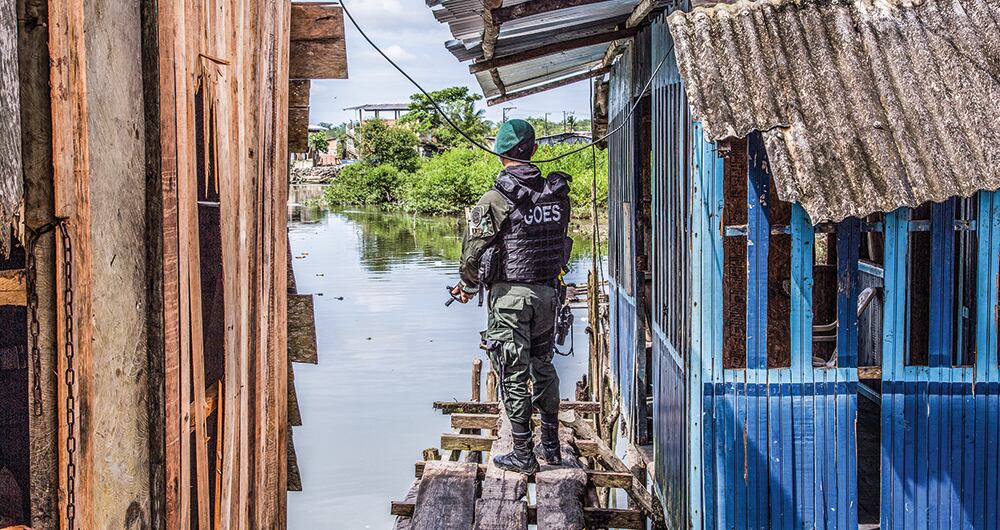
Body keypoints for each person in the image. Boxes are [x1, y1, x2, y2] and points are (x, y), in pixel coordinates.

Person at [451, 119, 573, 474]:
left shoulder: (494, 199)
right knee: (543, 364)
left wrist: (469, 286)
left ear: (499, 153)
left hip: (510, 300)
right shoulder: (556, 195)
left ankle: (523, 454)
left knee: (513, 372)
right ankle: (550, 447)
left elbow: (472, 253)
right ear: (534, 151)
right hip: (549, 294)